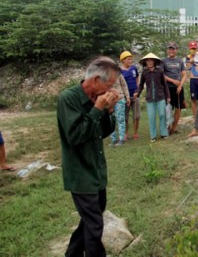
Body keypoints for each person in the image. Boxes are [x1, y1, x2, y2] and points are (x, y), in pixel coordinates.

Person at [57, 56, 121, 257]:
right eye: (109, 84)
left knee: (90, 218)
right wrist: (97, 109)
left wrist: (108, 110)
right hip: (80, 172)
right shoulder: (69, 98)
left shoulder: (97, 100)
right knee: (94, 224)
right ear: (95, 80)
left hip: (96, 169)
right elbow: (75, 136)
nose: (111, 89)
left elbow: (103, 132)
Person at [136, 53, 171, 142]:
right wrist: (138, 93)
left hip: (160, 97)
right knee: (151, 117)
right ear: (145, 62)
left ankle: (164, 133)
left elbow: (164, 84)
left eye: (151, 60)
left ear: (154, 61)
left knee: (162, 115)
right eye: (148, 60)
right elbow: (141, 85)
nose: (149, 62)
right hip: (150, 98)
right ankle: (153, 136)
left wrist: (168, 96)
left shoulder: (159, 71)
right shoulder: (144, 72)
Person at [162, 42, 187, 135]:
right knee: (167, 108)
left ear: (176, 50)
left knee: (178, 108)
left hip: (178, 88)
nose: (171, 51)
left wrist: (180, 85)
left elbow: (184, 75)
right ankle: (167, 127)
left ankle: (174, 128)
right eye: (170, 49)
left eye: (173, 49)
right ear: (167, 50)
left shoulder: (180, 61)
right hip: (168, 88)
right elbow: (162, 75)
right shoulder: (163, 61)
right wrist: (173, 81)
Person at [119, 51, 141, 140]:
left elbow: (137, 78)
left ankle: (135, 133)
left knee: (137, 116)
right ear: (123, 60)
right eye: (128, 59)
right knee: (125, 116)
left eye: (131, 59)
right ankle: (126, 133)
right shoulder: (119, 71)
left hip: (135, 96)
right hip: (125, 97)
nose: (130, 61)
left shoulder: (134, 68)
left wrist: (138, 89)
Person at [109, 73, 130, 146]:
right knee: (110, 120)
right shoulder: (102, 75)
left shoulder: (118, 74)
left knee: (120, 119)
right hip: (108, 100)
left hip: (119, 99)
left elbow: (124, 86)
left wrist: (127, 97)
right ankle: (113, 140)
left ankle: (121, 139)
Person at [184, 40, 198, 117]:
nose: (193, 50)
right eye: (192, 48)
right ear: (189, 49)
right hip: (193, 80)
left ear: (197, 48)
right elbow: (187, 67)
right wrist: (190, 61)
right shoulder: (188, 57)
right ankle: (195, 116)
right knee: (193, 99)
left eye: (194, 48)